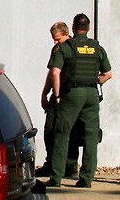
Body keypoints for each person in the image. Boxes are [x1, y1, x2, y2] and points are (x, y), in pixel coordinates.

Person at [47, 13, 112, 189]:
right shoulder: (97, 48)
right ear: (88, 28)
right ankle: (87, 178)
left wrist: (58, 95)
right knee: (91, 136)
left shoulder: (66, 47)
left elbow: (55, 72)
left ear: (74, 28)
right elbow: (108, 74)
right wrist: (93, 81)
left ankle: (56, 177)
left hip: (72, 93)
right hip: (92, 94)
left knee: (62, 132)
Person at [37, 21, 81, 181]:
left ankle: (61, 166)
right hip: (71, 95)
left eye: (57, 38)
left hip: (63, 95)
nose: (55, 42)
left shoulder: (63, 48)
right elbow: (52, 73)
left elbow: (54, 73)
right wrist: (45, 92)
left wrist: (54, 95)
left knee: (58, 130)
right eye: (53, 39)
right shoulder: (71, 47)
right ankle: (65, 165)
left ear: (66, 33)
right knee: (63, 130)